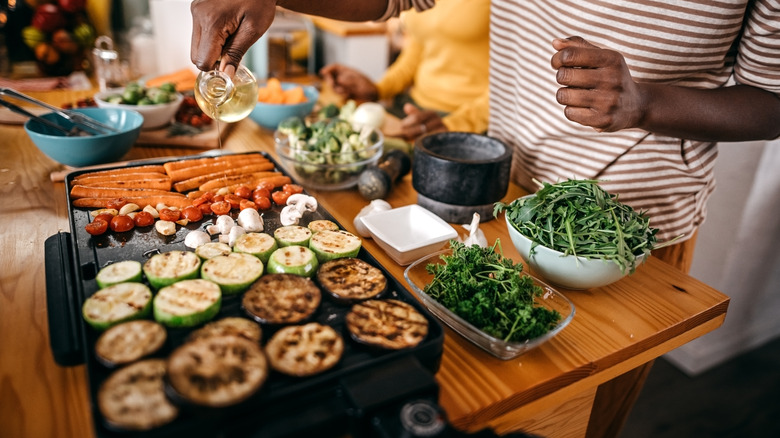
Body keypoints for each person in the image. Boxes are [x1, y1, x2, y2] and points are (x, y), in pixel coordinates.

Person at [189, 2, 780, 435]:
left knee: (578, 419)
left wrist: (646, 102)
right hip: (502, 197)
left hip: (630, 241)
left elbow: (770, 98)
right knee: (490, 408)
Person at [319, 0, 490, 141]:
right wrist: (378, 88)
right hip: (413, 109)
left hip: (470, 122)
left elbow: (512, 83)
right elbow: (417, 50)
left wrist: (456, 124)